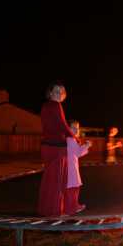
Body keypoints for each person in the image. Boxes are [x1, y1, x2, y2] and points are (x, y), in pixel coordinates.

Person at [38, 81, 78, 217]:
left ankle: (45, 210)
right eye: (56, 91)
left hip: (47, 146)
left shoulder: (45, 106)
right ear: (50, 93)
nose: (59, 94)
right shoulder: (56, 105)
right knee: (58, 182)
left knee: (49, 180)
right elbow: (62, 125)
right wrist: (75, 137)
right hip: (56, 148)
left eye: (61, 92)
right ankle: (55, 213)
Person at [64, 120, 92, 215]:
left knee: (73, 187)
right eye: (74, 128)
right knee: (73, 188)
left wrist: (84, 146)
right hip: (71, 167)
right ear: (68, 128)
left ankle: (73, 206)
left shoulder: (70, 139)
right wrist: (87, 145)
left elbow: (77, 152)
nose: (76, 130)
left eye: (78, 128)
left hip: (71, 165)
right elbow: (78, 152)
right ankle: (72, 208)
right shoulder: (71, 139)